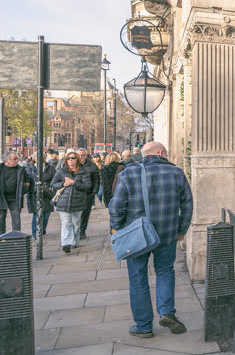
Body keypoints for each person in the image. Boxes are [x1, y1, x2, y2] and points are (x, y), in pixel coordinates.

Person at [109, 142, 193, 338]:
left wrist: (117, 229)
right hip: (168, 233)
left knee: (138, 278)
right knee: (165, 271)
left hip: (137, 236)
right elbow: (187, 205)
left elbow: (116, 206)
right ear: (161, 153)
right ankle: (166, 312)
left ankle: (144, 325)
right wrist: (181, 230)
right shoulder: (177, 173)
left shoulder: (128, 174)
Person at [50, 150, 91, 253]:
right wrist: (63, 184)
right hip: (64, 201)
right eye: (68, 158)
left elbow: (87, 186)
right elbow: (53, 183)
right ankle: (66, 243)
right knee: (66, 223)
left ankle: (75, 241)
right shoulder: (61, 171)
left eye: (73, 158)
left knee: (76, 223)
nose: (71, 160)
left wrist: (73, 182)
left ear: (77, 160)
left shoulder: (83, 172)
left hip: (79, 201)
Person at [0, 152, 30, 235]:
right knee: (1, 217)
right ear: (7, 160)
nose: (17, 160)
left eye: (17, 158)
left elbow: (28, 181)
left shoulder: (21, 170)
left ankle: (16, 236)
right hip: (1, 197)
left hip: (15, 197)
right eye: (15, 159)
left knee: (16, 218)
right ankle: (2, 236)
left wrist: (23, 190)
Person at [28, 152, 58, 237]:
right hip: (35, 194)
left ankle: (42, 229)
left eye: (41, 156)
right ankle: (35, 233)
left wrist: (53, 189)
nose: (38, 158)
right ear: (34, 158)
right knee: (36, 214)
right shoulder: (29, 168)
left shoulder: (50, 168)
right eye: (36, 157)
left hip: (47, 194)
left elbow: (55, 179)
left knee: (46, 214)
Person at [75, 148, 100, 240]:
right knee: (75, 214)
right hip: (75, 194)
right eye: (79, 155)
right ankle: (75, 231)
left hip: (87, 194)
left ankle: (82, 231)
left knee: (85, 214)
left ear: (86, 155)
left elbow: (97, 180)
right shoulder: (72, 165)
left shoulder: (92, 166)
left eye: (83, 155)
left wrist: (94, 191)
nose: (81, 157)